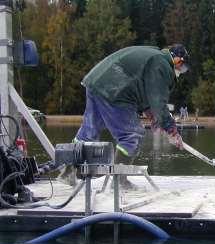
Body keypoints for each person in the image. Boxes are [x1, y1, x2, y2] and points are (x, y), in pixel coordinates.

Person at [59, 44, 189, 189]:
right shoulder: (162, 64)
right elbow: (158, 100)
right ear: (177, 60)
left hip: (97, 82)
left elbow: (145, 92)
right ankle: (118, 182)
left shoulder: (154, 56)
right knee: (132, 135)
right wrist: (171, 129)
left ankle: (68, 173)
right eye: (180, 67)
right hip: (115, 90)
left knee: (88, 132)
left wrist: (151, 115)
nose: (179, 71)